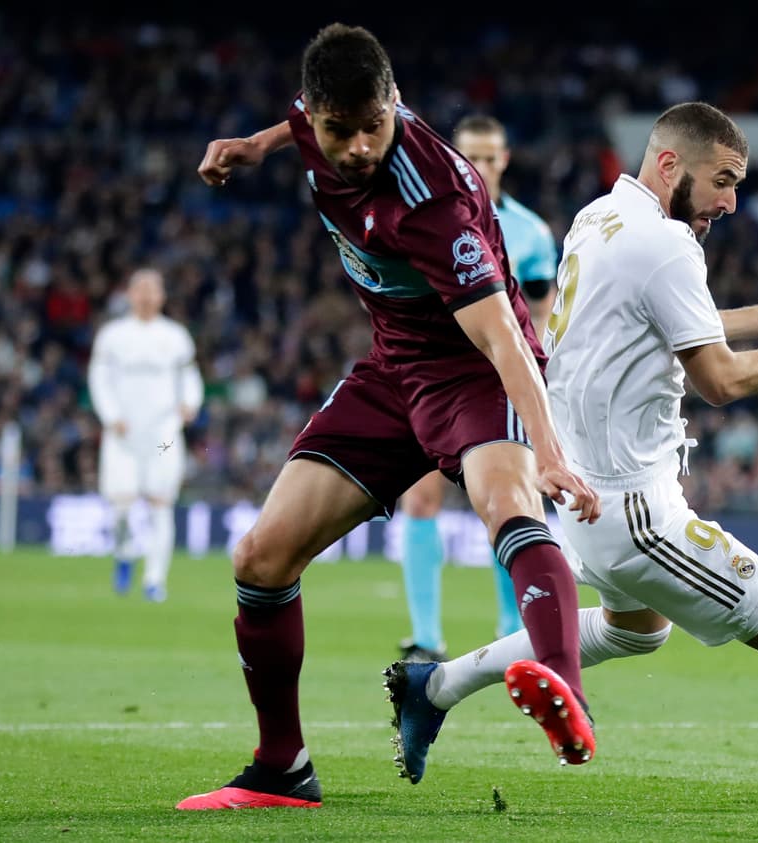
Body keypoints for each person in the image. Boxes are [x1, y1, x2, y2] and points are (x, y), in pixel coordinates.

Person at [386, 102, 758, 809]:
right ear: (670, 165)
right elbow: (719, 380)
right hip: (637, 513)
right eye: (722, 181)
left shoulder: (598, 218)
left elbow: (677, 317)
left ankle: (435, 685)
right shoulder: (666, 244)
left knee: (636, 632)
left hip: (588, 497)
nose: (729, 202)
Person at [175, 24, 601, 811]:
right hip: (392, 369)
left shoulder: (432, 201)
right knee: (261, 558)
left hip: (473, 371)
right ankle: (282, 767)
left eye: (374, 125)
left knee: (507, 502)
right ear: (315, 113)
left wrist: (548, 451)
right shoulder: (315, 120)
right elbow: (298, 121)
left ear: (395, 101)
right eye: (339, 130)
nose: (360, 147)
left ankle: (566, 691)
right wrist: (256, 145)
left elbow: (504, 340)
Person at [397, 114, 561, 664]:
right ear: (453, 157)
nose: (482, 166)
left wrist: (533, 377)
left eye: (491, 157)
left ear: (505, 159)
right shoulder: (426, 215)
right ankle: (425, 637)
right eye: (472, 156)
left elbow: (542, 313)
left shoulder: (531, 232)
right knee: (420, 498)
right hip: (433, 377)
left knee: (505, 504)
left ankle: (513, 631)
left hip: (496, 382)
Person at [88, 267, 202, 603]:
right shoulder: (112, 336)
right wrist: (111, 416)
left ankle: (155, 580)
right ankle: (124, 554)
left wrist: (190, 403)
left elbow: (190, 377)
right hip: (123, 433)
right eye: (140, 289)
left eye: (153, 289)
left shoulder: (176, 336)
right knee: (121, 505)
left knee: (160, 503)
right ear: (129, 294)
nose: (147, 296)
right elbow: (99, 380)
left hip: (163, 435)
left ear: (162, 296)